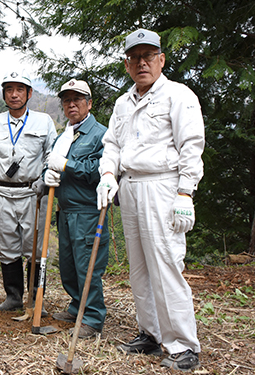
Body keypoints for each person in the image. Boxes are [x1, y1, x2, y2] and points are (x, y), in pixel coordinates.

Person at [97, 29, 204, 371]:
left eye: (149, 56)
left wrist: (186, 191)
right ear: (127, 64)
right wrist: (108, 175)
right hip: (129, 187)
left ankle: (183, 345)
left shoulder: (178, 95)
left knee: (167, 264)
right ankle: (151, 333)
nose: (142, 63)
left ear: (161, 59)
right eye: (135, 57)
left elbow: (191, 144)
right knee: (140, 266)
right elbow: (112, 144)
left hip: (163, 186)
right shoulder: (123, 103)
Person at [0, 70, 56, 313]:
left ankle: (37, 299)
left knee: (37, 248)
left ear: (29, 93)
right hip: (3, 193)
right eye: (9, 90)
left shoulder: (43, 121)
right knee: (6, 246)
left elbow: (51, 153)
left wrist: (46, 178)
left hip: (34, 193)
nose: (14, 95)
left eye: (20, 90)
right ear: (4, 94)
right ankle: (13, 297)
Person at [45, 79, 109, 339]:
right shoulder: (65, 136)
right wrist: (46, 176)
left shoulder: (100, 134)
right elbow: (52, 163)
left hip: (87, 212)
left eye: (77, 99)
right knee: (69, 266)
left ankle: (92, 318)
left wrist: (66, 165)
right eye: (67, 100)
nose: (71, 104)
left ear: (89, 104)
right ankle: (76, 307)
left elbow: (98, 171)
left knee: (87, 266)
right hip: (65, 211)